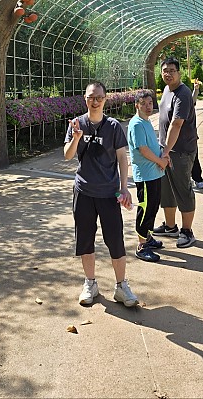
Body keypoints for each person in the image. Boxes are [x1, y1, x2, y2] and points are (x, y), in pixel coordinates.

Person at [64, 81, 139, 307]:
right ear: (85, 99)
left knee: (115, 239)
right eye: (90, 97)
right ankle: (90, 283)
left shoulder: (113, 126)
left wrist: (124, 187)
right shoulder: (77, 123)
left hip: (108, 193)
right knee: (85, 239)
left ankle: (121, 286)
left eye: (99, 97)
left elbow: (122, 158)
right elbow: (67, 155)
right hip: (84, 191)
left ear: (105, 99)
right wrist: (76, 137)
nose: (94, 101)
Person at [153, 58, 197, 248]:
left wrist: (166, 151)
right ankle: (170, 227)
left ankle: (187, 231)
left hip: (180, 152)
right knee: (167, 190)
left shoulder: (183, 94)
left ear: (179, 73)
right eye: (165, 70)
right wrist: (163, 149)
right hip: (166, 150)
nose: (168, 74)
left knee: (182, 189)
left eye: (172, 70)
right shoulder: (166, 90)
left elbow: (176, 123)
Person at [127, 89, 170, 263]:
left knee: (153, 207)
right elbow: (143, 150)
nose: (148, 107)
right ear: (136, 105)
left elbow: (152, 145)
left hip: (154, 173)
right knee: (145, 209)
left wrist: (164, 156)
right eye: (143, 104)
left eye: (150, 103)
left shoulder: (146, 121)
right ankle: (141, 245)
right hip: (145, 175)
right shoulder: (137, 124)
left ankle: (148, 237)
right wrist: (160, 161)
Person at [189, 79, 203, 189]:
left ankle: (198, 179)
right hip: (176, 139)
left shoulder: (188, 105)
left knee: (194, 158)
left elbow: (192, 100)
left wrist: (196, 90)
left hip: (191, 137)